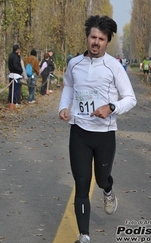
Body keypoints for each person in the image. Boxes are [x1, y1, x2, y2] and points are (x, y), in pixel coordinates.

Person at [58, 15, 137, 243]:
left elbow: (130, 98)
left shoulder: (114, 66)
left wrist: (112, 107)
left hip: (104, 134)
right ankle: (84, 236)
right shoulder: (74, 64)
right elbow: (69, 88)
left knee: (101, 180)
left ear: (107, 42)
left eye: (101, 39)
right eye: (93, 37)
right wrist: (64, 107)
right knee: (81, 183)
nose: (96, 42)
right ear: (87, 38)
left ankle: (108, 190)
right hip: (79, 131)